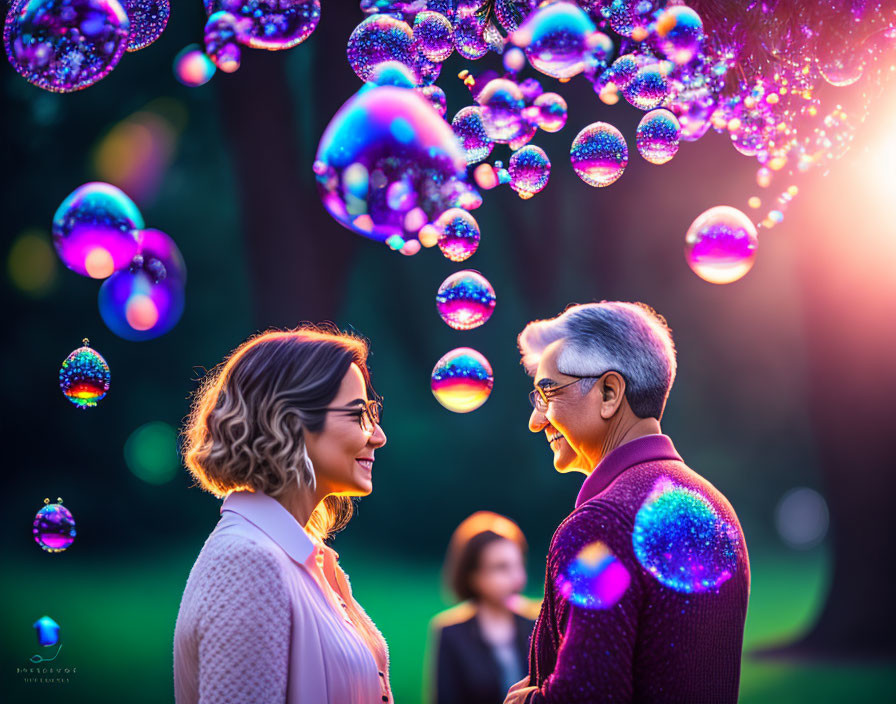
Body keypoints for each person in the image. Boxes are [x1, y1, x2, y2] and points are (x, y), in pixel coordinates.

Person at [504, 301, 751, 704]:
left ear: (609, 392)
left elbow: (589, 696)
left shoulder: (599, 523)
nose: (536, 420)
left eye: (547, 392)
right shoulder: (714, 504)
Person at [173, 325, 392, 704]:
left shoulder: (299, 556)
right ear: (289, 423)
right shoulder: (247, 562)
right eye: (359, 415)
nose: (378, 435)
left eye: (372, 413)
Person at [429, 512, 538, 704]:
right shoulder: (450, 633)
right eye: (501, 567)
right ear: (473, 576)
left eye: (518, 564)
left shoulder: (537, 623)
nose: (516, 577)